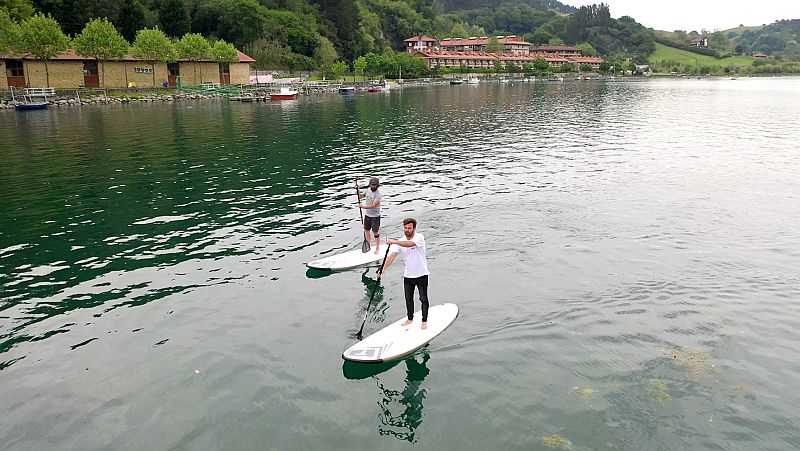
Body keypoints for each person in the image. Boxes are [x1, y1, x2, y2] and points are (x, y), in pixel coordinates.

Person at [378, 218, 430, 329]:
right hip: (408, 276)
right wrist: (382, 270)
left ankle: (424, 321)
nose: (407, 230)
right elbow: (391, 257)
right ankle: (410, 319)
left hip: (422, 274)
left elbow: (409, 244)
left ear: (414, 229)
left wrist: (394, 241)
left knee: (423, 298)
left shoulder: (419, 238)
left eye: (409, 228)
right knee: (408, 299)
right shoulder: (400, 241)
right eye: (405, 228)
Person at [356, 177, 383, 254]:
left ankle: (377, 248)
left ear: (377, 185)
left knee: (375, 233)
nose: (373, 186)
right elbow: (360, 196)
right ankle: (369, 246)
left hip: (375, 216)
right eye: (372, 185)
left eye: (374, 185)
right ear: (370, 185)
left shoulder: (378, 195)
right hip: (367, 216)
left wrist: (363, 207)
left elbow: (373, 206)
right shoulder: (368, 190)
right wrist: (357, 190)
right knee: (366, 231)